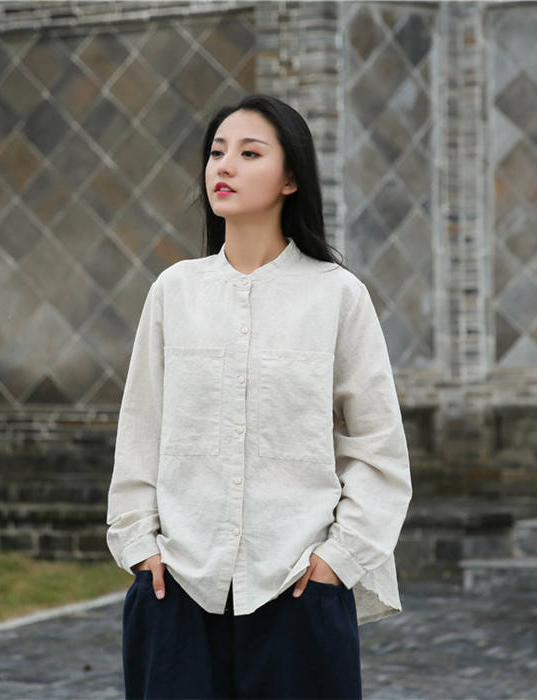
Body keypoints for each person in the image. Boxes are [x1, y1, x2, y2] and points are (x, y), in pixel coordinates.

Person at [106, 93, 412, 699]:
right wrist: (141, 548)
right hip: (178, 591)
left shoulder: (337, 296)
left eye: (249, 154)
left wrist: (336, 562)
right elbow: (141, 431)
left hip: (298, 590)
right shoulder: (174, 292)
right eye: (216, 152)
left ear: (290, 178)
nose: (224, 166)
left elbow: (377, 449)